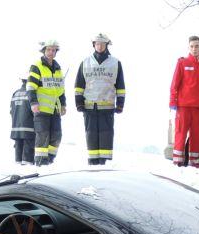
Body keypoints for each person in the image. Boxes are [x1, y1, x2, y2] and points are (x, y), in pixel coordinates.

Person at [75, 33, 125, 165]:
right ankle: (92, 162)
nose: (100, 46)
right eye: (97, 44)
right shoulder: (85, 62)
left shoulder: (115, 63)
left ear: (107, 45)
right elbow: (79, 85)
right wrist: (79, 103)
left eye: (102, 44)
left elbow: (120, 86)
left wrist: (120, 104)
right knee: (90, 135)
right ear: (94, 45)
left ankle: (104, 163)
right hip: (89, 106)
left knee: (106, 135)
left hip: (107, 107)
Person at [169, 35, 199, 167]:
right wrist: (173, 101)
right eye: (192, 46)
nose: (194, 49)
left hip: (198, 107)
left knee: (196, 135)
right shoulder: (182, 63)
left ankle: (194, 162)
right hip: (183, 106)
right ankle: (178, 161)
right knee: (180, 133)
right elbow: (174, 84)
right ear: (188, 48)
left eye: (196, 46)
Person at [27, 40, 66, 166]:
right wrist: (33, 103)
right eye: (49, 49)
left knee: (57, 136)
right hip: (41, 108)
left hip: (55, 109)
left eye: (54, 50)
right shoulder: (37, 66)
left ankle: (50, 160)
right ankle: (40, 162)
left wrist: (63, 104)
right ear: (44, 50)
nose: (51, 52)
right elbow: (31, 87)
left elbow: (61, 90)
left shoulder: (58, 68)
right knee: (43, 135)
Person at [9, 78, 34, 165]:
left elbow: (11, 111)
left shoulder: (15, 93)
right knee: (27, 160)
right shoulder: (31, 93)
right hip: (29, 128)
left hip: (16, 127)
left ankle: (18, 164)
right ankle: (27, 165)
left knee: (18, 157)